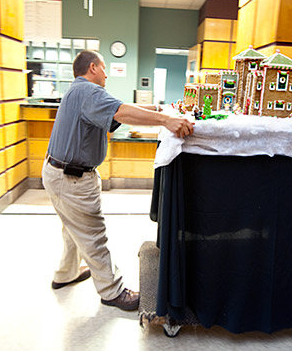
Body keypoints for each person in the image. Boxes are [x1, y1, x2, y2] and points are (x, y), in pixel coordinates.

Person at [42, 50, 194, 311]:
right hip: (71, 179)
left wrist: (160, 109)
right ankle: (112, 291)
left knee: (72, 229)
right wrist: (167, 120)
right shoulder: (89, 92)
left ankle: (65, 274)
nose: (106, 74)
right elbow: (122, 112)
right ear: (93, 68)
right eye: (103, 68)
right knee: (92, 234)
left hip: (59, 174)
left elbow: (118, 110)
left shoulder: (78, 91)